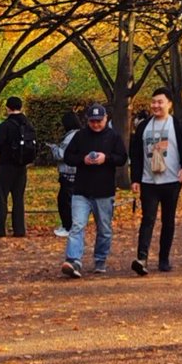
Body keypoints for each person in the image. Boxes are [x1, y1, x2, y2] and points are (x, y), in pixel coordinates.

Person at [129, 87, 182, 274]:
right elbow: (136, 154)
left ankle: (164, 258)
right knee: (147, 218)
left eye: (160, 102)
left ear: (169, 104)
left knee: (168, 219)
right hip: (149, 181)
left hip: (171, 180)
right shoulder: (143, 126)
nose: (155, 106)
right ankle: (142, 258)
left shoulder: (178, 126)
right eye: (154, 102)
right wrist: (135, 178)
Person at [61, 102, 128, 277]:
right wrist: (83, 159)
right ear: (87, 121)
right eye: (93, 121)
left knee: (104, 228)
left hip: (104, 191)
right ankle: (73, 260)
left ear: (106, 119)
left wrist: (106, 158)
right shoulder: (80, 136)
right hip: (81, 190)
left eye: (99, 121)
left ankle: (100, 259)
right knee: (77, 225)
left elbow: (122, 158)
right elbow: (68, 156)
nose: (96, 124)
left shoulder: (113, 137)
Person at [0, 96, 37, 238]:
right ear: (21, 107)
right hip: (22, 166)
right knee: (18, 197)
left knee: (1, 196)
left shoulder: (6, 125)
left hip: (6, 164)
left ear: (8, 107)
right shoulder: (28, 124)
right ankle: (19, 229)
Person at [49, 111, 82, 237]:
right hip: (77, 173)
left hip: (68, 172)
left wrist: (54, 148)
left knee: (64, 201)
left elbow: (62, 154)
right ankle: (71, 225)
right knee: (71, 201)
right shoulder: (80, 134)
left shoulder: (70, 137)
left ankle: (68, 227)